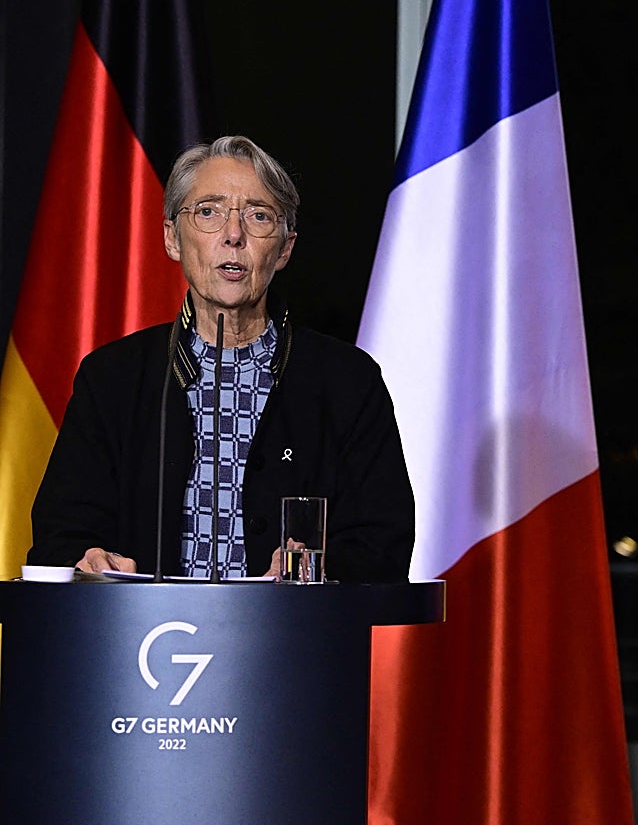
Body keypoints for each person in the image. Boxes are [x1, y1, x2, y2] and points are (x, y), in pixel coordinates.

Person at [28, 136, 415, 582]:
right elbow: (59, 538)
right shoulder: (112, 377)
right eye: (208, 212)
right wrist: (91, 559)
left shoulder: (347, 381)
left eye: (258, 216)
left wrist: (321, 570)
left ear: (285, 249)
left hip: (293, 643)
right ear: (172, 237)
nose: (233, 235)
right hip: (145, 645)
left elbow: (385, 542)